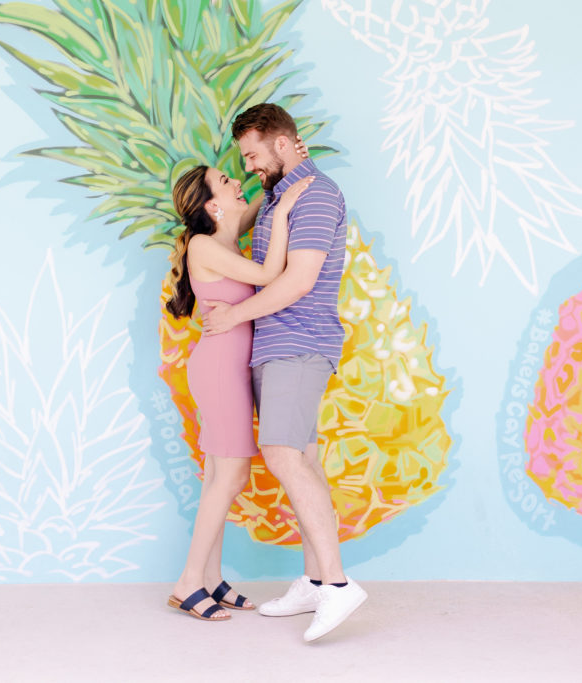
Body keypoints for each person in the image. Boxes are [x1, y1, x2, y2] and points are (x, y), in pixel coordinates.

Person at [201, 103, 367, 642]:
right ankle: (315, 579)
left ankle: (339, 586)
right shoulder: (278, 194)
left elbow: (297, 282)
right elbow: (226, 228)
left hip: (298, 343)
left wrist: (232, 315)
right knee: (305, 459)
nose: (248, 166)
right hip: (274, 346)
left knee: (282, 455)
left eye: (252, 154)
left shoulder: (316, 194)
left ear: (281, 141)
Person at [164, 163, 314, 621]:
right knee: (230, 478)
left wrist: (284, 178)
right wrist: (287, 207)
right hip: (219, 372)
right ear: (212, 204)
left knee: (218, 477)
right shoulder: (207, 244)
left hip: (225, 369)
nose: (235, 182)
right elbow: (271, 273)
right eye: (226, 181)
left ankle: (209, 579)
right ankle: (189, 582)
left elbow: (245, 213)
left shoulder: (222, 236)